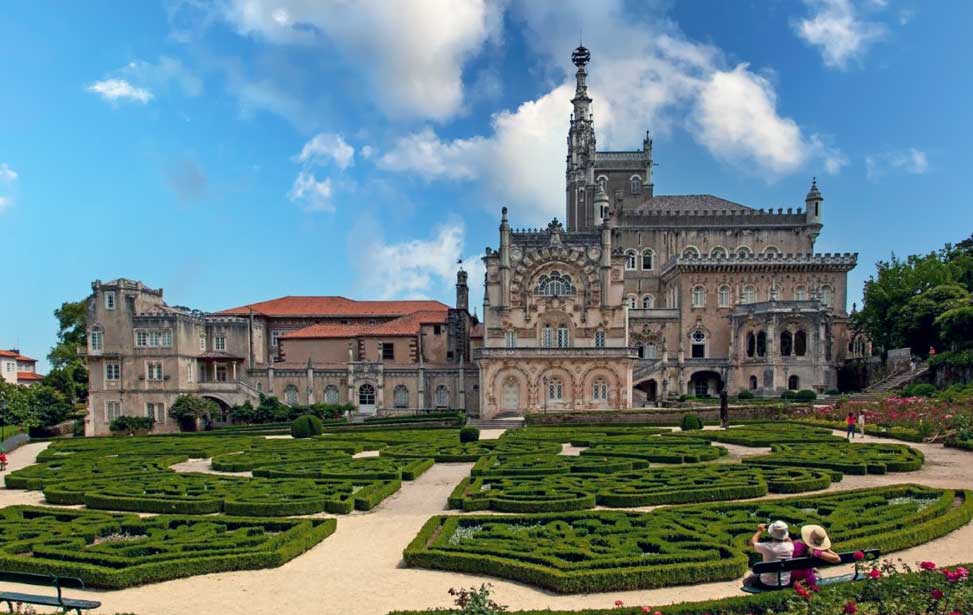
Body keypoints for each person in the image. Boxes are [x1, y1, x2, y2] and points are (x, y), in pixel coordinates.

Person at [745, 520, 794, 588]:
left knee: (747, 579)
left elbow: (752, 543)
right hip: (785, 583)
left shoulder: (767, 547)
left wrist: (759, 531)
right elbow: (788, 540)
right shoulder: (790, 546)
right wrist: (781, 532)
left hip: (766, 584)